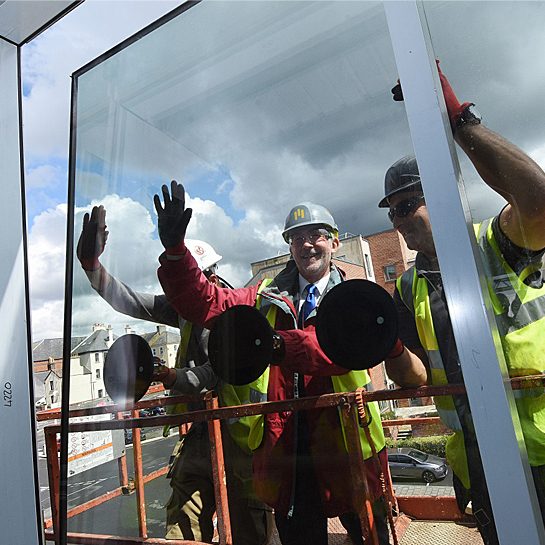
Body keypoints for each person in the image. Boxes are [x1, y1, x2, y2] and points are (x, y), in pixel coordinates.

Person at [154, 189, 393, 545]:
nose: (307, 244)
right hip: (288, 449)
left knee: (369, 534)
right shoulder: (265, 295)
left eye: (316, 235)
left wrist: (278, 344)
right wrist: (176, 254)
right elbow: (207, 302)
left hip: (348, 444)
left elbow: (333, 350)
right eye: (297, 238)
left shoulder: (355, 296)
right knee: (300, 536)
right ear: (289, 247)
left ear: (335, 242)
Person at [381, 61, 545, 544]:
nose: (399, 220)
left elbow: (537, 199)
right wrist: (385, 346)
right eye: (392, 212)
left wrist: (459, 120)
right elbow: (413, 377)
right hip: (480, 460)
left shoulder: (496, 240)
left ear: (442, 195)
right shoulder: (409, 287)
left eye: (407, 205)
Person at [76, 205, 272, 545]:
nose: (179, 292)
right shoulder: (183, 308)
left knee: (250, 527)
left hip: (243, 438)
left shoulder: (236, 314)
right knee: (183, 524)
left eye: (188, 280)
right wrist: (92, 268)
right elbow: (133, 303)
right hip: (201, 432)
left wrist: (173, 377)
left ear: (208, 277)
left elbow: (215, 373)